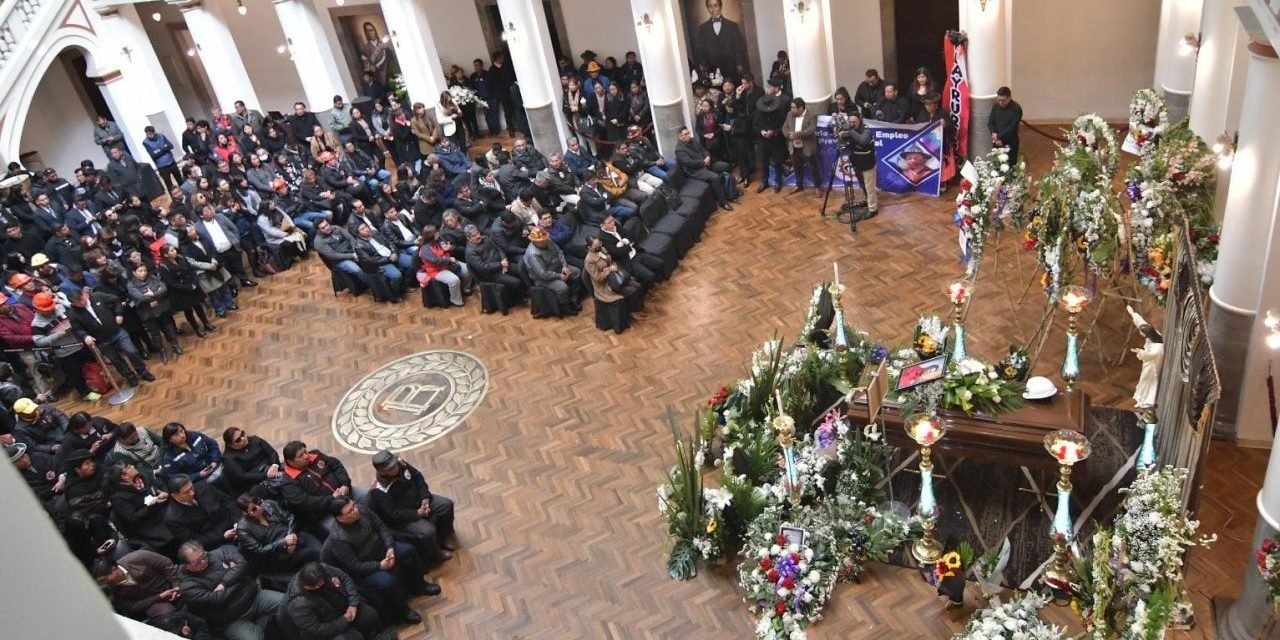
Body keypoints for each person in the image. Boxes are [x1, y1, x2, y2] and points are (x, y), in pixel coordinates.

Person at [321, 497, 433, 625]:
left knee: (409, 551)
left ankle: (420, 586)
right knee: (386, 582)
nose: (356, 510)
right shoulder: (338, 539)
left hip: (382, 547)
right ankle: (403, 612)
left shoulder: (361, 509)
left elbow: (381, 527)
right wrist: (379, 566)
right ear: (340, 518)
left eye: (354, 506)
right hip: (366, 566)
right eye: (350, 511)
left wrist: (390, 547)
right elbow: (354, 565)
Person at [178, 540, 285, 640]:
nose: (204, 561)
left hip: (254, 597)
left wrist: (223, 584)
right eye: (197, 562)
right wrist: (237, 576)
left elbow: (243, 564)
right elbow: (217, 599)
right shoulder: (188, 586)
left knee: (288, 602)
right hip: (231, 620)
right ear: (186, 566)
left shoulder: (219, 553)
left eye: (203, 555)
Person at [365, 450, 456, 567]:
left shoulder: (401, 464)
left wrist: (425, 498)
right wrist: (417, 513)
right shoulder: (378, 490)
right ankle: (436, 555)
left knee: (446, 505)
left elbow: (418, 477)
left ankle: (445, 535)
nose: (396, 468)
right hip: (405, 517)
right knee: (428, 531)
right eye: (391, 468)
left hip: (419, 501)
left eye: (395, 464)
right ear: (382, 472)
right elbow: (394, 514)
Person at [67, 286, 154, 387]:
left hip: (117, 332)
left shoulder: (97, 296)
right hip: (101, 340)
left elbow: (116, 300)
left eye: (82, 299)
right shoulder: (73, 314)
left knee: (131, 351)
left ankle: (142, 371)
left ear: (84, 294)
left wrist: (119, 314)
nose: (82, 303)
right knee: (116, 360)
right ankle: (129, 376)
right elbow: (77, 329)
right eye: (78, 302)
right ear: (73, 303)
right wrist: (85, 336)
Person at [279, 561, 387, 640]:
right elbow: (317, 630)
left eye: (323, 580)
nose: (323, 583)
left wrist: (353, 604)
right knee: (354, 638)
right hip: (329, 627)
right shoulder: (297, 604)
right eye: (319, 584)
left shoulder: (323, 569)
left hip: (344, 609)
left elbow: (345, 579)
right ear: (307, 586)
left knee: (370, 616)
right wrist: (345, 620)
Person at [30, 291, 100, 401]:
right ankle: (85, 393)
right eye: (46, 309)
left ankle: (100, 383)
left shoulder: (60, 307)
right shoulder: (36, 324)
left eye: (51, 307)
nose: (50, 310)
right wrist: (58, 335)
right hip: (65, 353)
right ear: (37, 309)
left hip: (80, 344)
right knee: (76, 375)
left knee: (92, 365)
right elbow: (39, 341)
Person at [235, 493, 321, 575]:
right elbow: (259, 550)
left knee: (312, 537)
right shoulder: (243, 529)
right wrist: (284, 542)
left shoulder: (269, 504)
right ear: (245, 513)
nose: (259, 507)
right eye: (254, 509)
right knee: (309, 554)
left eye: (258, 502)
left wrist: (291, 536)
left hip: (291, 538)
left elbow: (289, 518)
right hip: (276, 555)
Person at [280, 440, 352, 532]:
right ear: (290, 461)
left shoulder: (315, 455)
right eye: (300, 456)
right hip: (325, 513)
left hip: (346, 493)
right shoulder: (287, 482)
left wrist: (345, 484)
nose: (306, 456)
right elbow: (305, 502)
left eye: (305, 452)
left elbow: (335, 464)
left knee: (367, 498)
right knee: (344, 531)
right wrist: (332, 499)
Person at [107, 462, 176, 557]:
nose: (132, 466)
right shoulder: (119, 498)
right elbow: (133, 518)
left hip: (165, 509)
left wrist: (165, 493)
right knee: (173, 534)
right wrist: (152, 505)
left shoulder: (144, 477)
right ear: (124, 476)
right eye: (129, 467)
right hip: (149, 524)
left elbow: (161, 485)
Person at [93, 549, 182, 619]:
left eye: (104, 580)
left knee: (188, 591)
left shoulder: (137, 557)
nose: (104, 583)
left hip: (170, 583)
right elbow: (133, 607)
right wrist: (160, 597)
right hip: (153, 603)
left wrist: (176, 586)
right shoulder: (112, 589)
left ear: (113, 569)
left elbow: (166, 565)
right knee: (168, 616)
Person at [584, 235, 642, 334]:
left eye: (599, 243)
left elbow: (610, 260)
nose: (600, 246)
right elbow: (597, 278)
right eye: (596, 245)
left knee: (638, 286)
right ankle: (632, 313)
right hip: (605, 285)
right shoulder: (589, 260)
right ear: (590, 247)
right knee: (632, 290)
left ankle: (635, 310)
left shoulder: (602, 249)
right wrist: (609, 269)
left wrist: (613, 265)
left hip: (615, 277)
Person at [126, 263, 182, 364]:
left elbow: (164, 288)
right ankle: (162, 351)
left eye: (144, 270)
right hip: (147, 314)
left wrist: (153, 294)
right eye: (140, 271)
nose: (143, 273)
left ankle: (175, 345)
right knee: (155, 334)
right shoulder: (131, 285)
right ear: (134, 273)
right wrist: (157, 294)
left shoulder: (152, 277)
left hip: (161, 309)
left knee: (168, 328)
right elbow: (141, 298)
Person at [674, 127, 734, 210]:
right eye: (686, 134)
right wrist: (703, 162)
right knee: (715, 177)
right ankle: (723, 202)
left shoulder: (693, 140)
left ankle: (731, 192)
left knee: (725, 166)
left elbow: (703, 150)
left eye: (688, 133)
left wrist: (707, 156)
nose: (689, 135)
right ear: (680, 137)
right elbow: (689, 163)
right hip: (696, 171)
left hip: (707, 163)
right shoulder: (679, 150)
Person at [523, 227, 581, 308]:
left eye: (545, 239)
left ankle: (573, 298)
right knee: (563, 288)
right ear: (534, 241)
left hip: (557, 267)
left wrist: (564, 266)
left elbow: (559, 252)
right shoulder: (532, 254)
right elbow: (543, 274)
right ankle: (565, 306)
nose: (545, 241)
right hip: (543, 278)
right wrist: (560, 276)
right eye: (542, 240)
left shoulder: (548, 241)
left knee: (576, 272)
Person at [692, 0, 749, 82]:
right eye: (710, 6)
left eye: (715, 6)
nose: (713, 9)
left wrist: (739, 66)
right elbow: (700, 51)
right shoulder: (702, 29)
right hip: (712, 71)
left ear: (720, 7)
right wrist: (704, 69)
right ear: (707, 8)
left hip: (732, 70)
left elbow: (738, 49)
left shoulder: (732, 26)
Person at [416, 225, 471, 307]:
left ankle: (464, 288)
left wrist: (450, 248)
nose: (438, 233)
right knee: (454, 280)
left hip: (448, 264)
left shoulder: (439, 241)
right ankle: (456, 300)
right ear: (431, 235)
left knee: (467, 269)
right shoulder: (425, 249)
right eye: (436, 232)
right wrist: (449, 260)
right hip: (436, 270)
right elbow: (435, 261)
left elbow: (450, 247)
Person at [220, 427, 282, 494]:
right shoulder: (228, 458)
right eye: (238, 440)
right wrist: (267, 475)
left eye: (242, 434)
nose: (243, 438)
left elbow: (271, 453)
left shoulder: (255, 440)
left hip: (271, 468)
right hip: (255, 481)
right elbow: (242, 476)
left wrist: (274, 465)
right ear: (230, 445)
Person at [839, 112, 878, 217]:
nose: (852, 124)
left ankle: (873, 209)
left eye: (854, 122)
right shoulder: (850, 130)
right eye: (850, 122)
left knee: (869, 187)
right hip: (856, 162)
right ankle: (866, 201)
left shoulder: (866, 129)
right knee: (862, 184)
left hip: (867, 163)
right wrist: (840, 132)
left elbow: (863, 141)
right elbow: (842, 138)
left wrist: (850, 130)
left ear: (860, 120)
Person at [158, 422, 222, 484]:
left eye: (181, 431)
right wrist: (198, 475)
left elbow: (212, 445)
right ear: (170, 440)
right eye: (176, 435)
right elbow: (174, 478)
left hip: (213, 465)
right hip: (196, 481)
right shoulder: (168, 458)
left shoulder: (195, 435)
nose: (182, 435)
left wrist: (215, 461)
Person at [753, 85, 787, 192]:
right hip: (763, 142)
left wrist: (774, 132)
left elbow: (783, 126)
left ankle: (778, 182)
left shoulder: (779, 112)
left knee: (777, 162)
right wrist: (761, 132)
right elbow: (755, 126)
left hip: (776, 141)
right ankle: (764, 181)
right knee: (764, 163)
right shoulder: (758, 112)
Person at [782, 98, 820, 192]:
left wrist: (796, 135)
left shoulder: (812, 115)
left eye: (794, 108)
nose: (791, 110)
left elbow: (811, 130)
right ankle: (799, 185)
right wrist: (789, 135)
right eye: (791, 107)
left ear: (801, 108)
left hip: (807, 147)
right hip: (794, 146)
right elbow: (784, 128)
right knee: (797, 167)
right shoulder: (789, 114)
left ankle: (817, 187)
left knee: (813, 168)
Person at [989, 86, 1023, 161]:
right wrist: (994, 133)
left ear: (1009, 98)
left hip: (1010, 142)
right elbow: (991, 122)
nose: (1000, 102)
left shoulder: (1016, 109)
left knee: (1010, 164)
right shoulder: (996, 106)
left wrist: (998, 136)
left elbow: (1012, 127)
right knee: (996, 163)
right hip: (997, 141)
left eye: (1003, 100)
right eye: (999, 99)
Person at [142, 126, 181, 191]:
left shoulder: (161, 136)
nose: (149, 136)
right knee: (169, 185)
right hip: (162, 167)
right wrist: (164, 148)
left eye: (150, 134)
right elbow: (153, 155)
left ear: (154, 132)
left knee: (180, 180)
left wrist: (159, 150)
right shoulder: (145, 142)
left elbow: (170, 146)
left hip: (171, 162)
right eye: (147, 134)